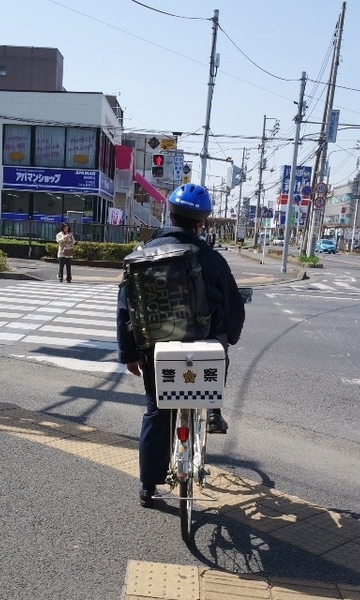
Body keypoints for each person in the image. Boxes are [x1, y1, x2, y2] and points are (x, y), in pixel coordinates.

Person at [117, 183, 245, 508]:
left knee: (156, 411)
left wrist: (130, 355)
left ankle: (148, 487)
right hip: (202, 355)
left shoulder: (142, 257)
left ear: (169, 215)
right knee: (219, 348)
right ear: (200, 223)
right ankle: (213, 410)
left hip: (156, 353)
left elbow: (125, 309)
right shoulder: (212, 259)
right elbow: (233, 309)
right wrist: (229, 336)